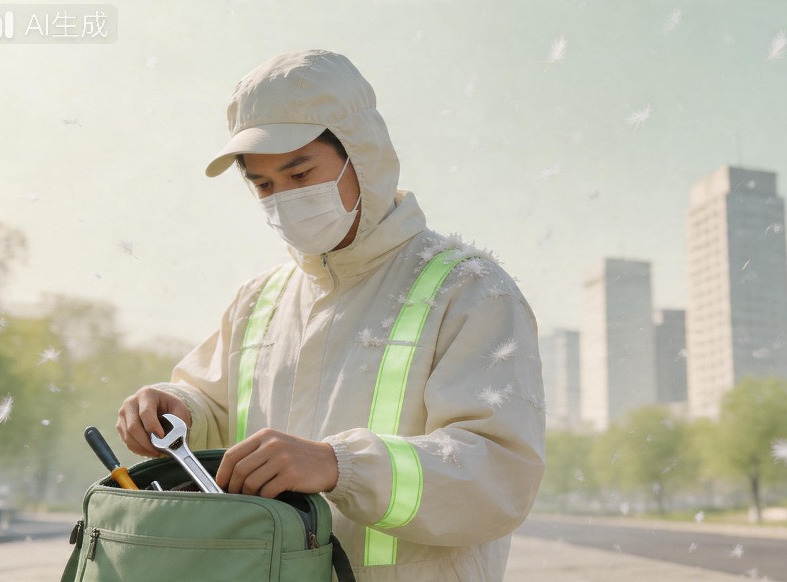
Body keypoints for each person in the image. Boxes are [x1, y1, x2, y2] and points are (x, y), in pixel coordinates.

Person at [116, 49, 545, 581]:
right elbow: (214, 407)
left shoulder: (468, 290)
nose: (283, 200)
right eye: (263, 185)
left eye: (300, 173)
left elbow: (499, 477)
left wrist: (342, 466)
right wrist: (178, 409)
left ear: (362, 156)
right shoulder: (259, 300)